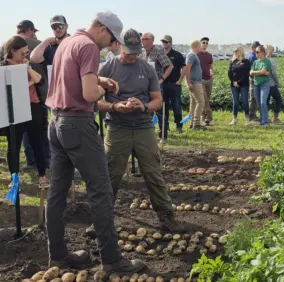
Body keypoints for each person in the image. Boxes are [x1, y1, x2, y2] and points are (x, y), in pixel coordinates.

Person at [44, 11, 145, 273]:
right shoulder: (89, 46)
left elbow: (70, 79)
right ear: (101, 28)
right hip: (78, 124)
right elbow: (89, 94)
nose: (111, 44)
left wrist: (99, 79)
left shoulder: (67, 42)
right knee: (101, 190)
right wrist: (103, 89)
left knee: (57, 193)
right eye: (111, 38)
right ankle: (111, 259)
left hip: (56, 123)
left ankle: (58, 256)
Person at [96, 28, 184, 232]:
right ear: (119, 46)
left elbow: (157, 101)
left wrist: (143, 106)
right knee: (111, 174)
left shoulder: (147, 69)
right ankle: (101, 220)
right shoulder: (107, 68)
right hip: (117, 128)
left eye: (136, 52)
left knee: (153, 172)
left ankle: (166, 216)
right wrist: (114, 107)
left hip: (144, 127)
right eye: (128, 52)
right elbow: (94, 101)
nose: (132, 56)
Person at [0, 36, 49, 187]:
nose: (25, 56)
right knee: (13, 145)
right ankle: (14, 179)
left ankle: (42, 175)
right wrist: (28, 83)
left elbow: (40, 79)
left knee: (37, 142)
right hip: (13, 109)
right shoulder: (3, 66)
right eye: (22, 53)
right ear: (12, 51)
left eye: (26, 52)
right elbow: (9, 89)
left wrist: (27, 68)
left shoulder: (27, 64)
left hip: (32, 106)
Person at [27, 15, 71, 171]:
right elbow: (34, 58)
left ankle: (74, 164)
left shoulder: (74, 42)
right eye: (54, 27)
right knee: (57, 131)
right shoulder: (49, 47)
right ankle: (61, 164)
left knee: (73, 131)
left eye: (60, 26)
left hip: (73, 94)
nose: (57, 29)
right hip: (55, 95)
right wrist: (45, 42)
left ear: (66, 26)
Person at [158, 35, 185, 136]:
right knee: (163, 106)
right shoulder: (159, 54)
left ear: (170, 43)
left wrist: (180, 80)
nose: (164, 43)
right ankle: (166, 126)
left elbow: (185, 68)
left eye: (166, 42)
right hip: (162, 84)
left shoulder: (177, 55)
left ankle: (179, 126)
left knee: (176, 106)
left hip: (174, 84)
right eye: (163, 42)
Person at [185, 40, 206, 130]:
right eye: (200, 45)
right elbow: (187, 68)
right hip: (195, 83)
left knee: (193, 103)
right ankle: (197, 124)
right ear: (196, 46)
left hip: (193, 82)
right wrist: (188, 82)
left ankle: (192, 122)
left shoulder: (192, 55)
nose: (201, 47)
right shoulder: (192, 55)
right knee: (200, 102)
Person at [227, 46, 251, 125]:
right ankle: (234, 118)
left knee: (245, 102)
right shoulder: (232, 61)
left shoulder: (246, 61)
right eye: (234, 51)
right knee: (235, 102)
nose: (235, 52)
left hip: (244, 84)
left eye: (237, 51)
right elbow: (230, 73)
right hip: (234, 85)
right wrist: (234, 81)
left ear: (241, 51)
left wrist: (239, 82)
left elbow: (246, 74)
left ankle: (247, 118)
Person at [250, 45, 272, 126]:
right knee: (259, 104)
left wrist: (257, 72)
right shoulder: (255, 62)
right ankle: (262, 121)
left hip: (264, 84)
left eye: (257, 52)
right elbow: (251, 73)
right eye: (255, 51)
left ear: (262, 52)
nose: (255, 53)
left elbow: (263, 72)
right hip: (256, 84)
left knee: (263, 103)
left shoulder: (267, 61)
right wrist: (261, 72)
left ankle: (265, 122)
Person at [264, 44, 284, 124]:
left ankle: (266, 118)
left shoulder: (261, 60)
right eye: (272, 50)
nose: (273, 51)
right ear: (270, 50)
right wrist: (277, 82)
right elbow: (274, 73)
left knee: (266, 101)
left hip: (264, 84)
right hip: (271, 84)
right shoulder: (271, 61)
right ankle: (275, 119)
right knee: (278, 100)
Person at [198, 37, 214, 126]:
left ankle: (204, 118)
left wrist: (212, 73)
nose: (205, 44)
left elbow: (211, 67)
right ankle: (208, 117)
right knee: (203, 99)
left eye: (207, 43)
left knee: (207, 99)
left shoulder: (209, 55)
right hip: (200, 79)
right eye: (203, 42)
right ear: (200, 43)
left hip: (209, 79)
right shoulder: (197, 54)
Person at [247, 41, 261, 121]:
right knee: (253, 97)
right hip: (253, 78)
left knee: (253, 96)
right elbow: (255, 69)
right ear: (253, 48)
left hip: (252, 78)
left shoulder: (250, 55)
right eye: (257, 47)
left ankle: (252, 114)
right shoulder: (253, 57)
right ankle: (252, 115)